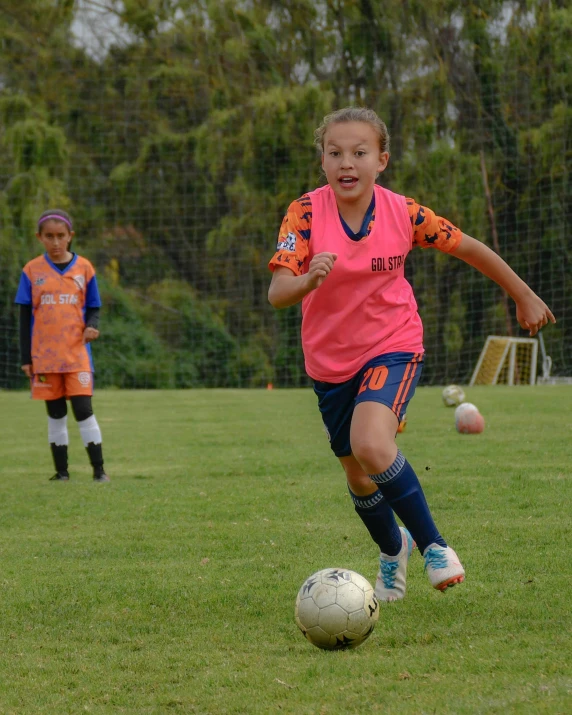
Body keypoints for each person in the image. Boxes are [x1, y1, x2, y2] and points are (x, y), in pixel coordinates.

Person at [268, 107, 555, 602]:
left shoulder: (405, 213)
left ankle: (434, 547)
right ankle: (391, 548)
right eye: (334, 153)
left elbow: (469, 248)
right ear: (322, 161)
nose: (346, 162)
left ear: (381, 160)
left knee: (372, 444)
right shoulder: (307, 213)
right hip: (329, 363)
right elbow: (277, 292)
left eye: (359, 152)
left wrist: (522, 293)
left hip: (392, 344)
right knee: (357, 474)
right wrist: (307, 279)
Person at [14, 209, 110, 483]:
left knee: (83, 410)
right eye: (49, 237)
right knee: (55, 413)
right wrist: (25, 358)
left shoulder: (84, 268)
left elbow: (94, 306)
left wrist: (92, 325)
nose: (55, 242)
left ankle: (99, 471)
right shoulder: (31, 270)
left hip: (76, 355)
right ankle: (62, 472)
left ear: (70, 237)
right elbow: (23, 319)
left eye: (60, 236)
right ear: (39, 237)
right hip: (45, 357)